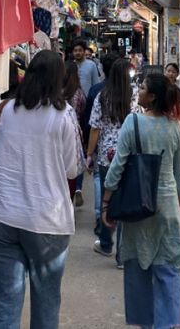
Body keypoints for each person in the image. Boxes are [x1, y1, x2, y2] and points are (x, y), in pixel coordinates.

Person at [0, 49, 82, 329]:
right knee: (47, 304)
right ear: (58, 79)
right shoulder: (64, 117)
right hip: (47, 221)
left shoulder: (2, 110)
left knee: (4, 304)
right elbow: (72, 169)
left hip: (1, 215)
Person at [102, 74, 180, 329]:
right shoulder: (175, 127)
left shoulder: (133, 122)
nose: (137, 91)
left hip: (137, 203)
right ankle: (168, 324)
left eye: (141, 88)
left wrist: (107, 200)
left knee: (137, 266)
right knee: (169, 267)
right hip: (167, 203)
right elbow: (179, 174)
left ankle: (144, 322)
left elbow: (118, 166)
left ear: (151, 97)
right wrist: (179, 201)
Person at [86, 57, 136, 266]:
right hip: (130, 154)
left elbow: (95, 128)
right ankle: (122, 256)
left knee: (108, 199)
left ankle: (106, 243)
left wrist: (89, 154)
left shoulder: (102, 96)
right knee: (125, 203)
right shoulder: (134, 96)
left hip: (107, 155)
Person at [83, 50, 119, 234]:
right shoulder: (132, 91)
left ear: (103, 70)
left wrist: (89, 152)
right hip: (126, 150)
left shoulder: (97, 91)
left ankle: (101, 219)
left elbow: (93, 125)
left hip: (104, 150)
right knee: (120, 188)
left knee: (100, 180)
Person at [63, 59, 87, 204]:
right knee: (77, 161)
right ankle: (77, 188)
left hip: (61, 131)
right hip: (76, 130)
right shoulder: (79, 92)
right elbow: (83, 110)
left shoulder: (57, 91)